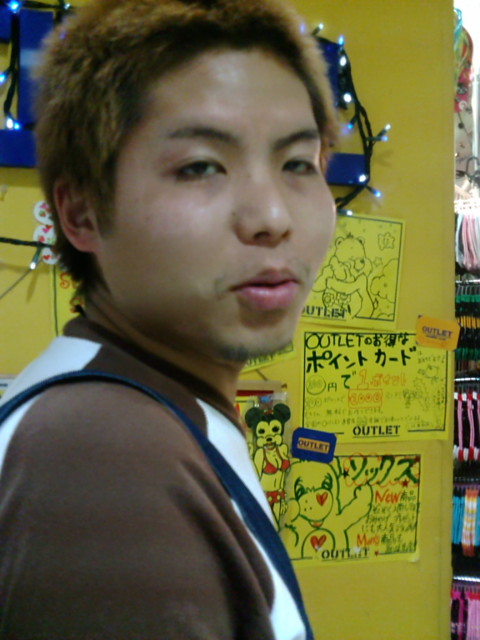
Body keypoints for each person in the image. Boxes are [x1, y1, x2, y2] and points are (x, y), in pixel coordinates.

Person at [0, 0, 337, 637]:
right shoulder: (101, 453)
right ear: (82, 213)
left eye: (297, 163)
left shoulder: (149, 407)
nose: (272, 217)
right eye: (200, 167)